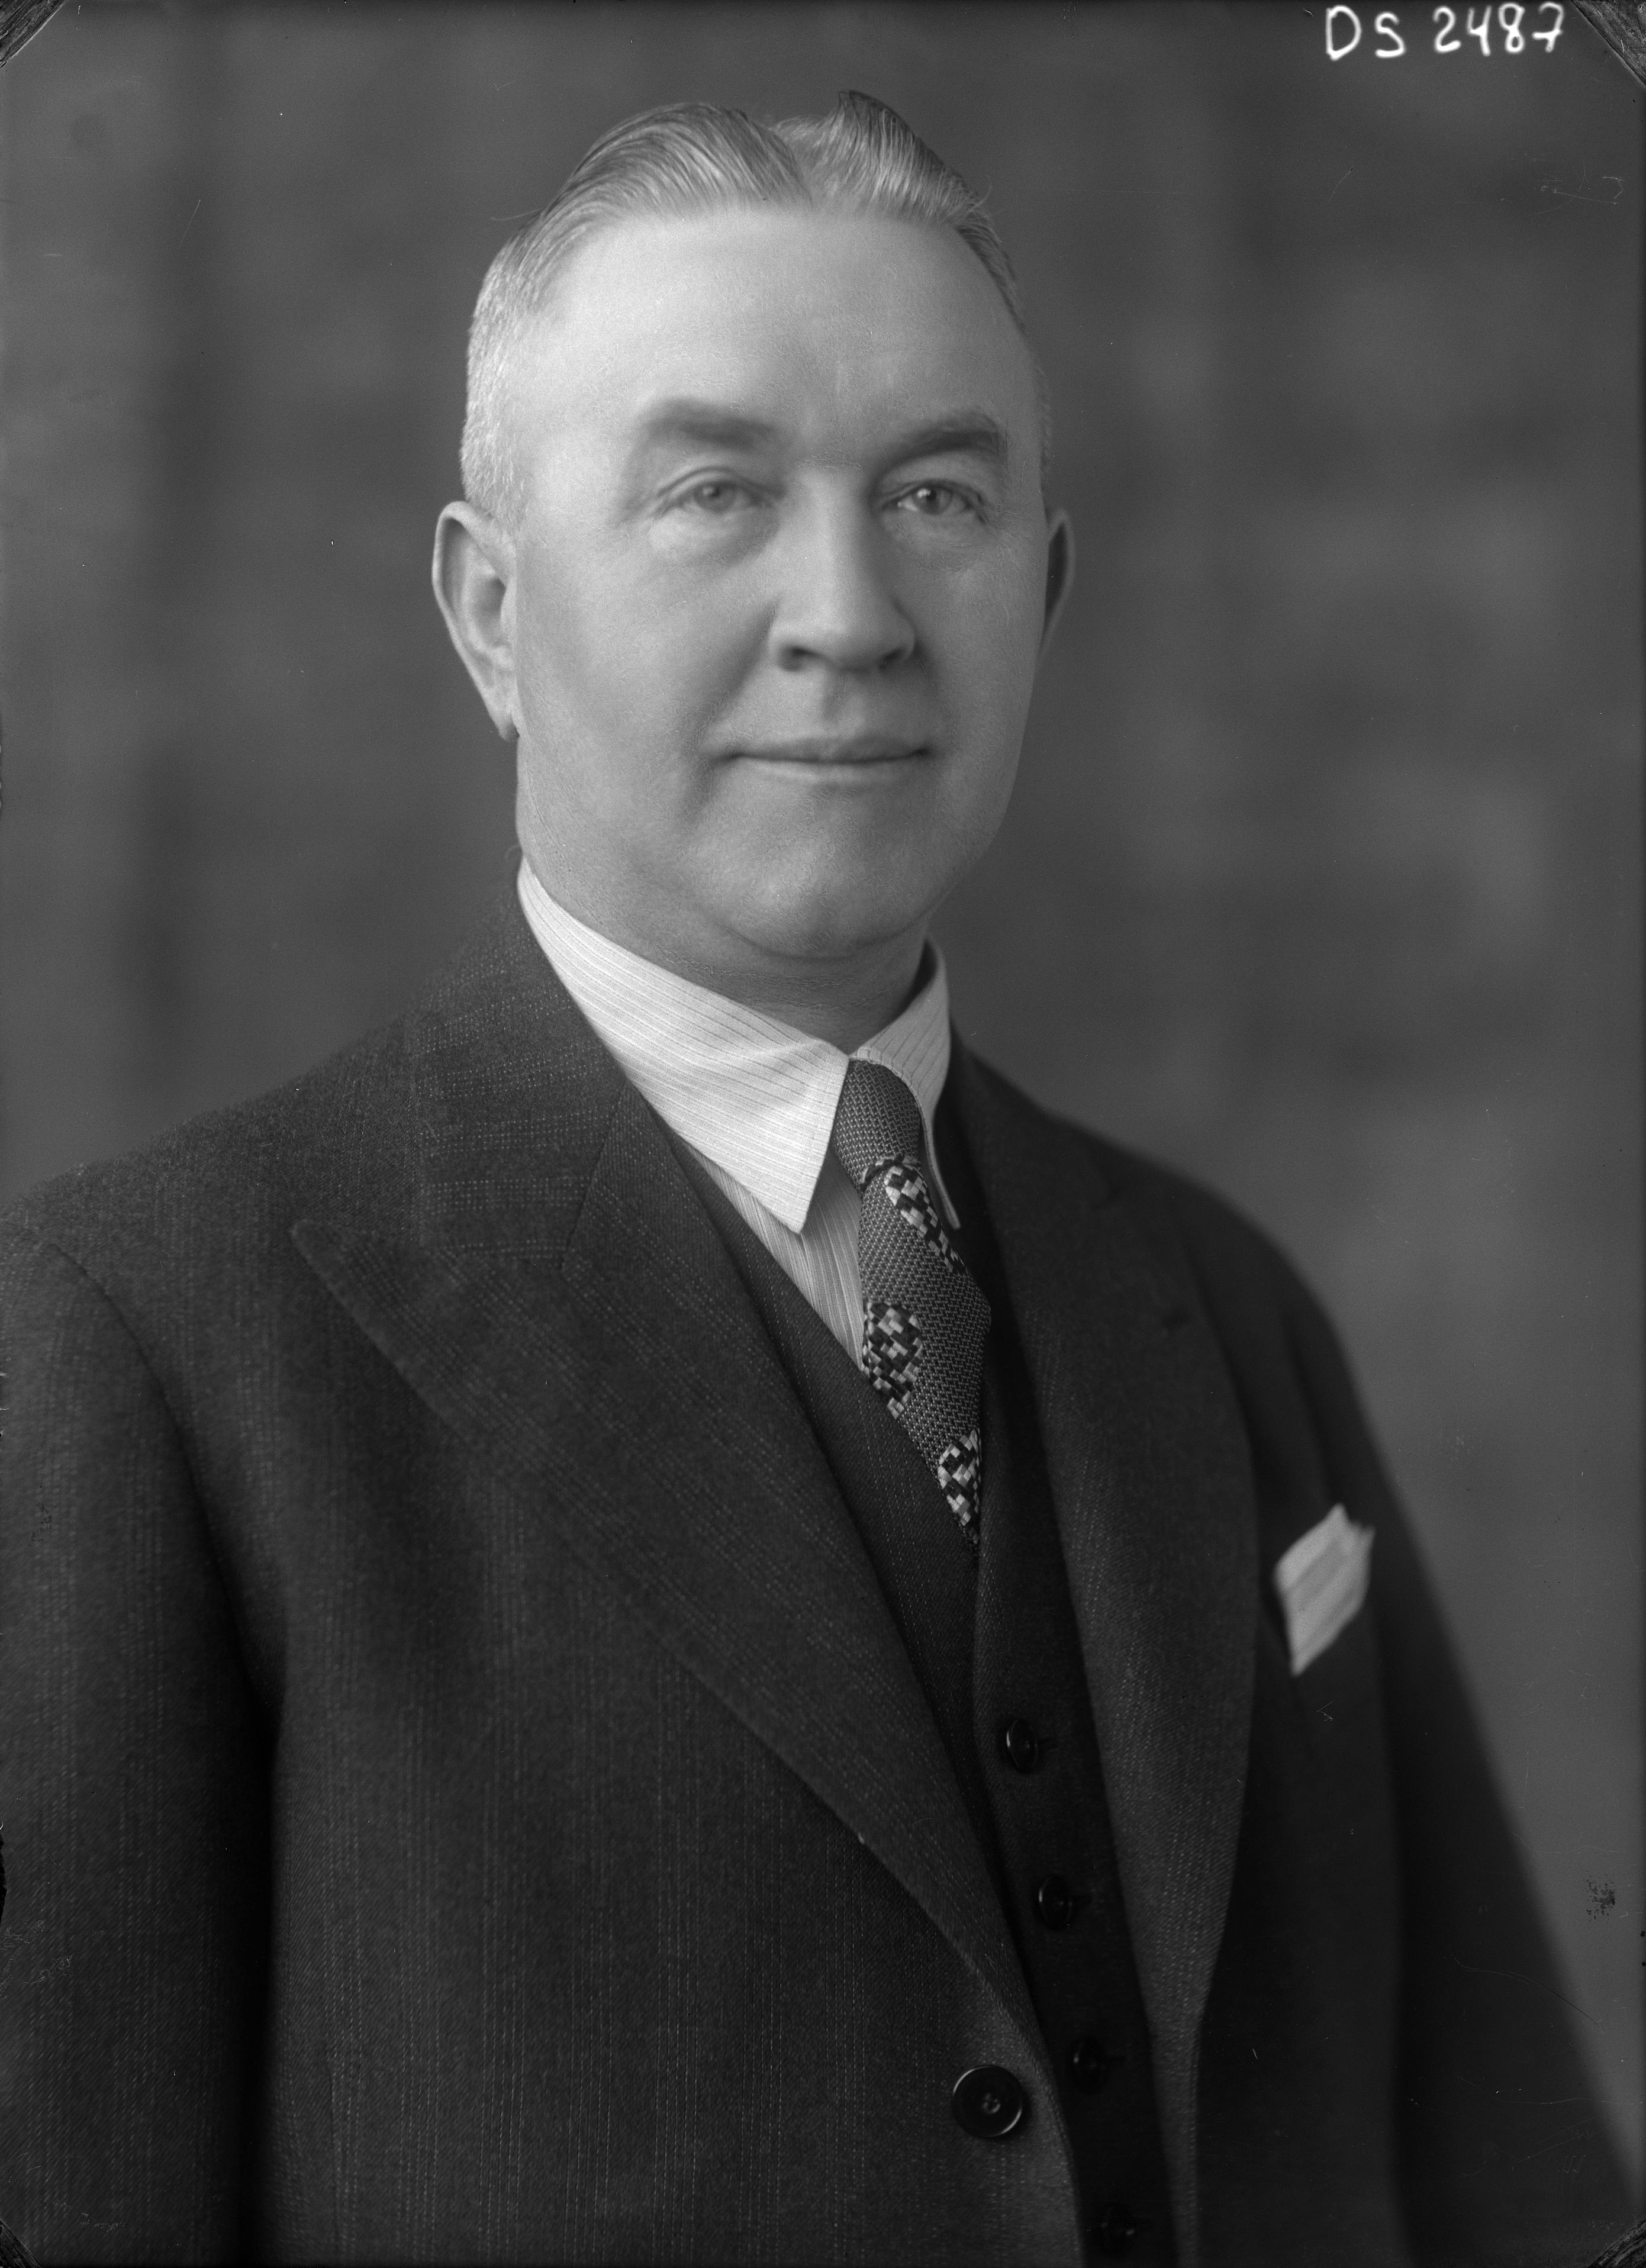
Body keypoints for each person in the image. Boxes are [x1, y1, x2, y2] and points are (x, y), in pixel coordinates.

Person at [0, 92, 1629, 2268]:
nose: (852, 615)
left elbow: (1506, 2169)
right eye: (715, 492)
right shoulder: (144, 1339)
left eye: (940, 496)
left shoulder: (1226, 1301)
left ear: (1045, 589)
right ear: (491, 613)